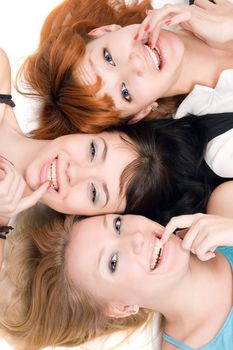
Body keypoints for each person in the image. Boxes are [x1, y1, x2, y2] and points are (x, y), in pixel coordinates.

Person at [1, 181, 233, 350]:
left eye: (118, 226)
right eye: (113, 262)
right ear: (122, 308)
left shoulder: (227, 203)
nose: (137, 239)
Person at [17, 0, 233, 138]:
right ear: (143, 112)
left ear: (104, 31)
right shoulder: (221, 142)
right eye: (125, 93)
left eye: (108, 57)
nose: (136, 64)